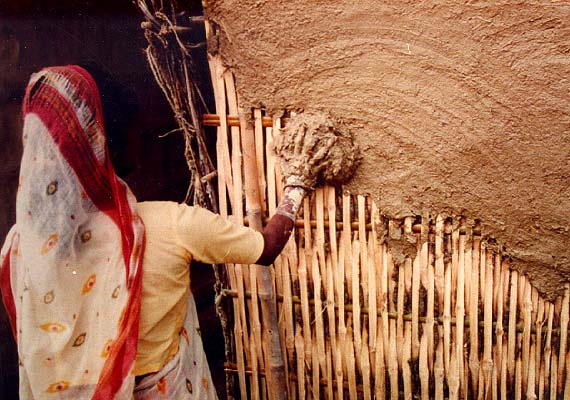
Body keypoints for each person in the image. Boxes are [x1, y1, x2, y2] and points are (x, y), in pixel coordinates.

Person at [0, 65, 313, 399]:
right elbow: (265, 247)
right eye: (137, 128)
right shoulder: (171, 225)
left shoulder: (20, 247)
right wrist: (298, 181)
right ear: (113, 141)